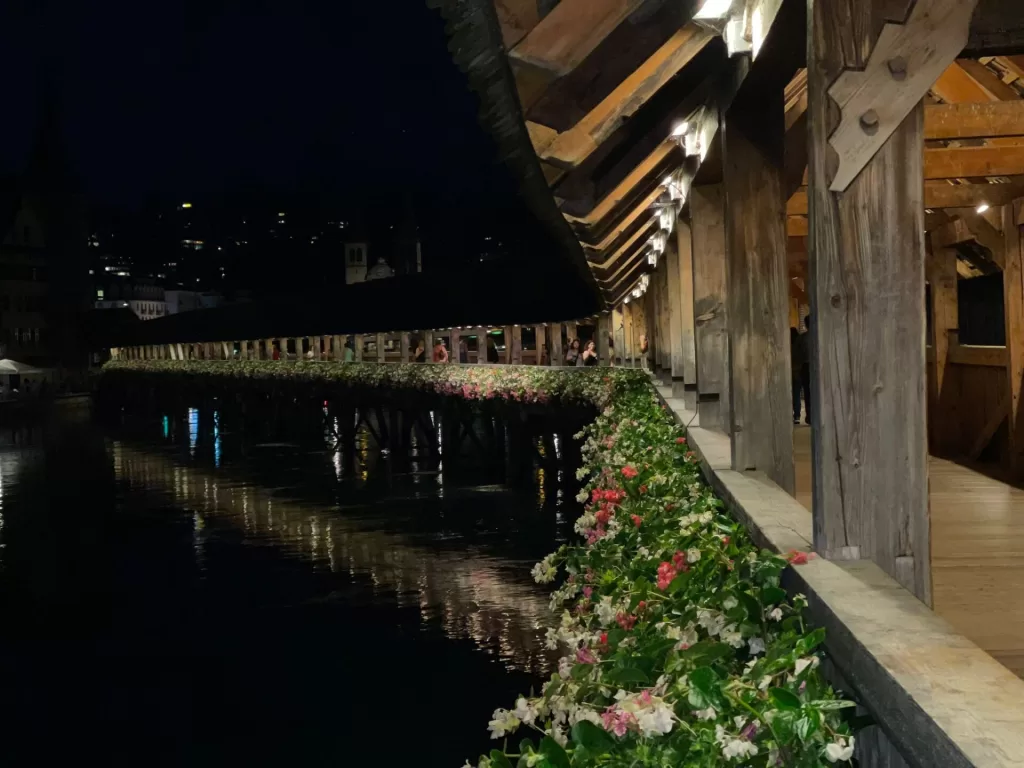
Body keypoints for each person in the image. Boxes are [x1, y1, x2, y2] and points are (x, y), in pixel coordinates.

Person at [790, 327, 807, 425]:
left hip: (792, 372)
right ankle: (797, 415)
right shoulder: (799, 345)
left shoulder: (789, 346)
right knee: (797, 394)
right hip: (800, 372)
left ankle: (794, 414)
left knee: (794, 395)